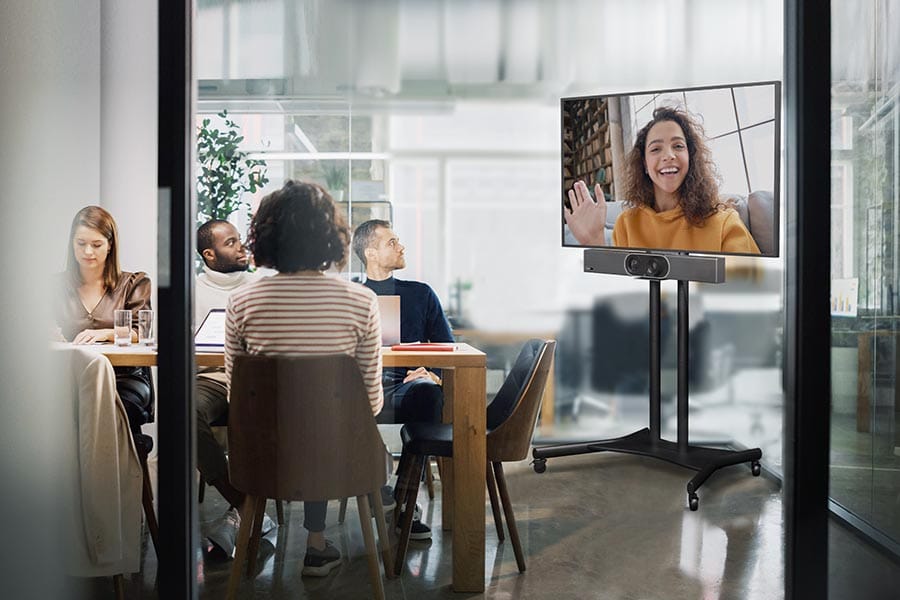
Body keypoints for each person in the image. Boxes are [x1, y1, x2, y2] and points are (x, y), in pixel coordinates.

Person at [225, 180, 384, 577]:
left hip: (266, 459)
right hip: (342, 458)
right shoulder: (361, 301)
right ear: (331, 236)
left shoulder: (241, 303)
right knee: (324, 421)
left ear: (264, 236)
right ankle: (317, 545)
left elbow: (238, 398)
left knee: (300, 421)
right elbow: (372, 403)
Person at [352, 219, 454, 541]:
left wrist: (432, 372)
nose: (401, 246)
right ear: (370, 252)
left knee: (429, 393)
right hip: (359, 389)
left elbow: (448, 348)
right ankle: (378, 488)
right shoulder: (351, 296)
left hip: (406, 387)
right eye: (392, 242)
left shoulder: (421, 294)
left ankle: (406, 501)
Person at [565, 106, 760, 254]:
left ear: (691, 157)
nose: (668, 155)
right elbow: (618, 292)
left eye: (678, 146)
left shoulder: (724, 222)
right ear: (644, 165)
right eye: (656, 149)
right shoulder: (627, 223)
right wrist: (595, 241)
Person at [194, 219, 274, 559]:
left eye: (240, 239)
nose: (241, 247)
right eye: (231, 243)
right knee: (182, 410)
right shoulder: (191, 290)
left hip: (253, 379)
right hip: (210, 379)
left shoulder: (261, 286)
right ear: (210, 255)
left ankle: (245, 512)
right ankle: (242, 504)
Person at [55, 206, 154, 448]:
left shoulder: (134, 283)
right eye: (80, 244)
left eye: (96, 245)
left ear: (110, 245)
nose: (88, 251)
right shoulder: (54, 286)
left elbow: (141, 332)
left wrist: (105, 333)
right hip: (70, 375)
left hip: (124, 376)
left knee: (97, 405)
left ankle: (109, 481)